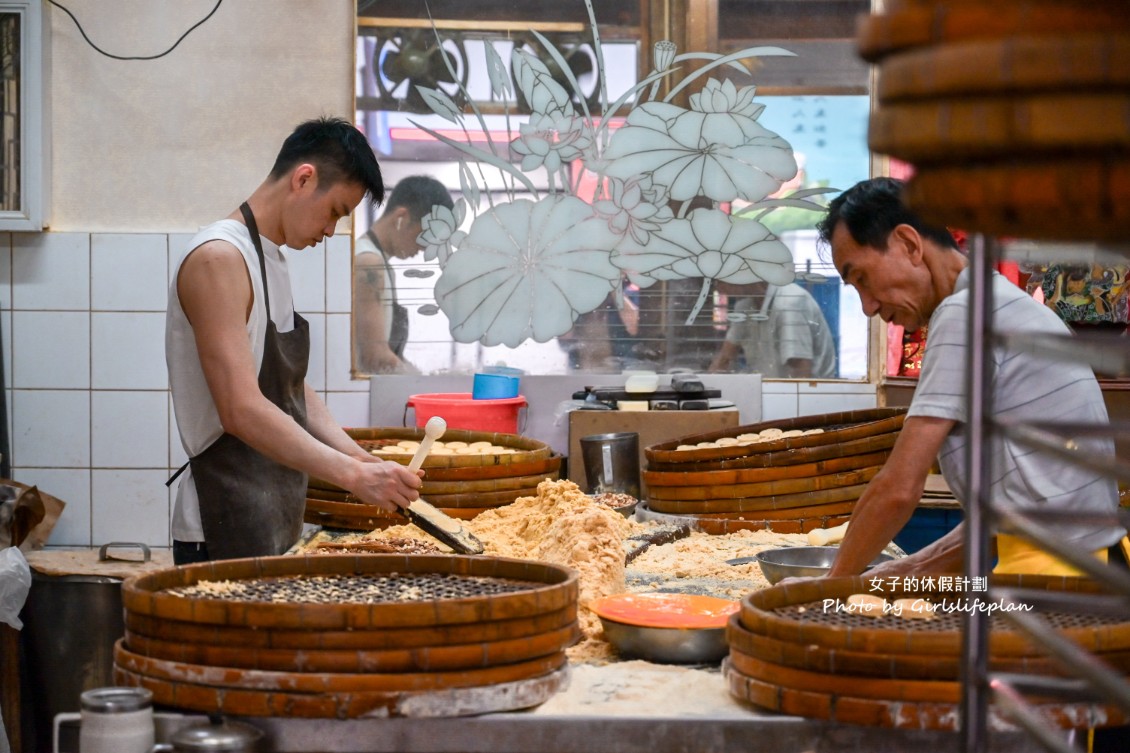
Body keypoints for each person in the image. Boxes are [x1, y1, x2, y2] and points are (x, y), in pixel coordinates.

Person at [815, 177, 1125, 578]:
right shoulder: (993, 301)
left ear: (909, 245)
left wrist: (829, 587)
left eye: (862, 279)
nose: (867, 306)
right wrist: (896, 575)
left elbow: (898, 489)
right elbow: (1006, 518)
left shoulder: (966, 312)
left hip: (1062, 580)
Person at [166, 117, 423, 564]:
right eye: (336, 212)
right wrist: (352, 477)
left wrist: (361, 460)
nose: (331, 231)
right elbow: (240, 408)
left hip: (268, 514)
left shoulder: (270, 260)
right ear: (304, 179)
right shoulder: (218, 258)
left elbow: (290, 387)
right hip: (218, 527)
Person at [353, 175, 453, 373]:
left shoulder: (381, 264)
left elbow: (387, 352)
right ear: (402, 218)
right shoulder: (369, 263)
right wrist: (420, 382)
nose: (425, 248)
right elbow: (375, 355)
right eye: (425, 236)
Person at [709, 280, 837, 378]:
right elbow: (724, 359)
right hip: (771, 396)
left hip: (809, 403)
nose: (718, 287)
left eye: (719, 280)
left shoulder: (789, 302)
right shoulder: (744, 307)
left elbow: (802, 375)